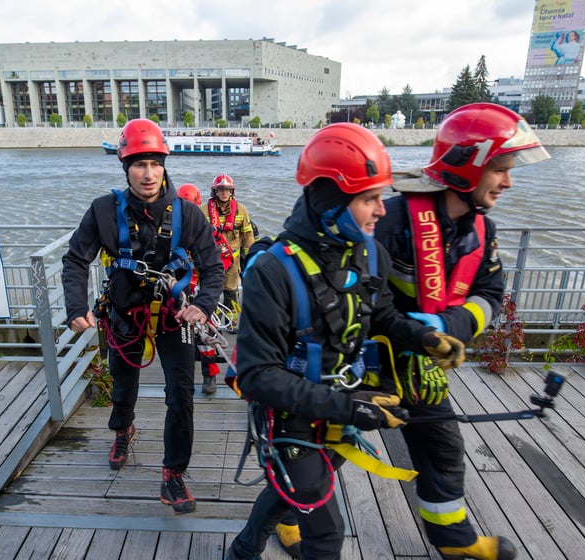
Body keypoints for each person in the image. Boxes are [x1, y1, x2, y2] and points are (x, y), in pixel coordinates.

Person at [225, 123, 467, 560]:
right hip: (290, 419)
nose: (382, 210)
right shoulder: (273, 272)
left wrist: (425, 337)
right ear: (334, 202)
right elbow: (257, 375)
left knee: (287, 493)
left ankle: (242, 551)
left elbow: (384, 315)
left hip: (343, 404)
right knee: (327, 532)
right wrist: (349, 407)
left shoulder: (370, 252)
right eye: (370, 199)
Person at [368, 102, 551, 560]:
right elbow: (357, 299)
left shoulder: (482, 231)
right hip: (366, 362)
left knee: (443, 448)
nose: (507, 182)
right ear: (469, 167)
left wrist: (449, 325)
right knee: (325, 446)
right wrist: (417, 333)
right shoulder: (388, 222)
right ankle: (290, 517)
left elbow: (491, 292)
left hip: (422, 368)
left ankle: (452, 538)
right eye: (501, 170)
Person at [62, 119, 224, 515]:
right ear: (125, 166)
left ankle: (173, 473)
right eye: (139, 164)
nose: (148, 173)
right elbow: (75, 260)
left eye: (155, 163)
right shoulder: (103, 211)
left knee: (181, 394)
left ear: (165, 164)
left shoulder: (188, 214)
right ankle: (123, 428)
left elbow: (214, 267)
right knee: (124, 383)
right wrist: (75, 308)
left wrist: (201, 306)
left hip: (175, 317)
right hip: (124, 313)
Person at [178, 182, 228, 395]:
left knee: (205, 337)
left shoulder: (209, 232)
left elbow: (225, 258)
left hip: (201, 294)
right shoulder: (171, 233)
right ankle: (183, 379)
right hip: (179, 295)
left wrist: (206, 284)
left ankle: (209, 377)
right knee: (182, 340)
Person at [202, 173, 255, 333]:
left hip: (233, 260)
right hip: (212, 260)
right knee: (212, 292)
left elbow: (248, 234)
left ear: (232, 192)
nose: (224, 193)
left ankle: (231, 324)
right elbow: (198, 236)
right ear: (215, 192)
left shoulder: (241, 210)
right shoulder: (204, 211)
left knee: (231, 293)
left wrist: (250, 257)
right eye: (221, 190)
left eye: (227, 190)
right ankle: (213, 324)